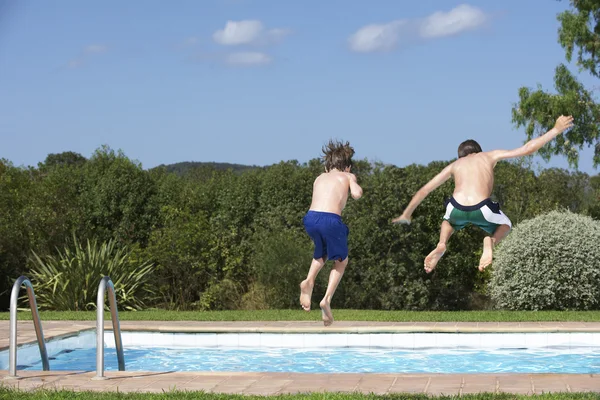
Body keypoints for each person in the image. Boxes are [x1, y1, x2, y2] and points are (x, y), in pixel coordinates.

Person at [392, 115, 574, 273]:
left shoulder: (454, 165)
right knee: (505, 224)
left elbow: (425, 189)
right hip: (482, 208)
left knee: (447, 221)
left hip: (456, 206)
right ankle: (490, 242)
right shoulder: (488, 156)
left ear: (460, 156)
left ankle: (441, 244)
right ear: (479, 151)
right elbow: (527, 149)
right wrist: (555, 129)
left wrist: (406, 214)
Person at [299, 139, 363, 326]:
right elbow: (357, 194)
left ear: (327, 167)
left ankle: (309, 280)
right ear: (347, 167)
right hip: (331, 220)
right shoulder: (347, 176)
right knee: (342, 261)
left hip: (311, 219)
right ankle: (326, 300)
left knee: (323, 252)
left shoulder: (319, 177)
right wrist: (354, 183)